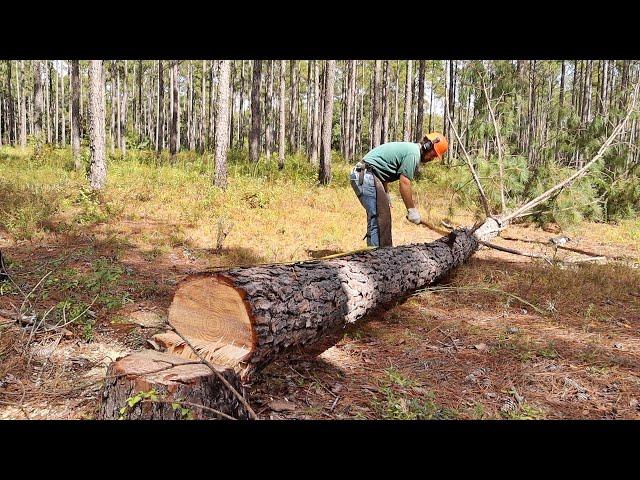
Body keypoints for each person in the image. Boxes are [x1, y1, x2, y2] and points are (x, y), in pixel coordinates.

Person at [349, 132, 449, 247]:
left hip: (369, 175)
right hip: (366, 175)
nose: (433, 158)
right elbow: (405, 182)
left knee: (380, 216)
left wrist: (385, 193)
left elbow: (383, 170)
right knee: (380, 218)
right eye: (434, 154)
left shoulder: (411, 151)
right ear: (428, 146)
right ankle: (377, 257)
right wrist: (411, 210)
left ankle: (380, 253)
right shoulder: (413, 154)